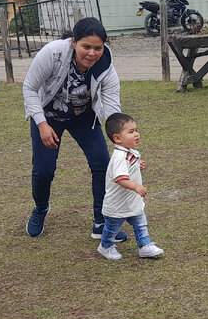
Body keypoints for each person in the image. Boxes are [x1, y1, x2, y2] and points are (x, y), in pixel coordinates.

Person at [21, 16, 126, 242]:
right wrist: (42, 124)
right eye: (86, 47)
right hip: (48, 115)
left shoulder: (106, 67)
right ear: (73, 42)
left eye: (98, 48)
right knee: (44, 170)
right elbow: (29, 88)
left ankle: (102, 220)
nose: (92, 53)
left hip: (83, 116)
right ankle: (40, 208)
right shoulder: (52, 54)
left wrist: (122, 144)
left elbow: (112, 108)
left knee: (102, 163)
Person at [97, 112, 164, 260]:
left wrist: (136, 165)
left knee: (141, 224)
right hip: (118, 204)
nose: (136, 134)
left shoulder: (129, 153)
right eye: (131, 132)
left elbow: (128, 168)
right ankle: (105, 246)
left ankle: (145, 246)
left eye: (136, 130)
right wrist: (135, 187)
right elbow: (120, 179)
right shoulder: (120, 157)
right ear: (117, 138)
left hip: (131, 202)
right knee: (112, 228)